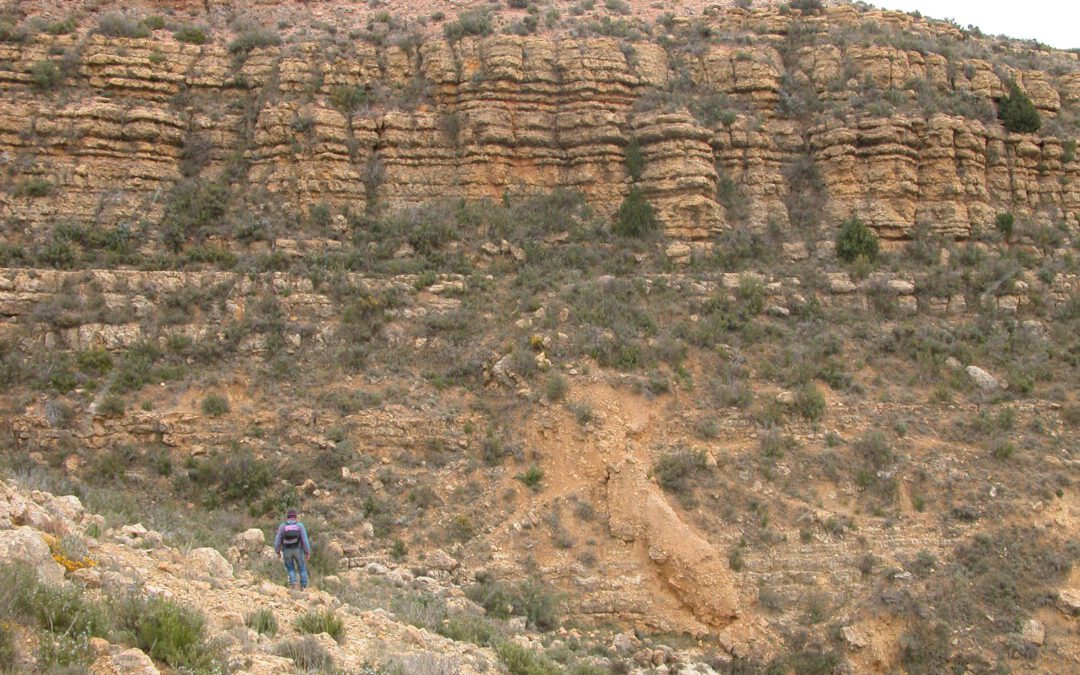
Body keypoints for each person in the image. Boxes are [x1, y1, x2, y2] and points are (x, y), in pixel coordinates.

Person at [274, 508, 311, 589]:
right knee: (302, 568)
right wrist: (307, 552)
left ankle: (293, 584)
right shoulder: (300, 526)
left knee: (290, 568)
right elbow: (305, 540)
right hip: (298, 550)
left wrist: (277, 551)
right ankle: (304, 586)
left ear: (287, 517)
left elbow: (277, 541)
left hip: (286, 550)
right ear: (295, 517)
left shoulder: (282, 526)